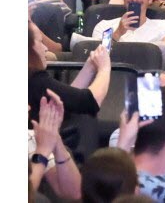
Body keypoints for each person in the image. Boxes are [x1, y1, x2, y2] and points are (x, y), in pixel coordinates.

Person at [29, 24, 110, 158]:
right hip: (35, 150)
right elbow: (90, 102)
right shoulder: (35, 79)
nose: (46, 48)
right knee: (85, 118)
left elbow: (66, 99)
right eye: (40, 42)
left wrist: (90, 67)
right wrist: (105, 68)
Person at [29, 87, 83, 200]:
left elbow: (75, 193)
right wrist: (42, 152)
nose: (28, 108)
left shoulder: (31, 137)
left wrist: (54, 137)